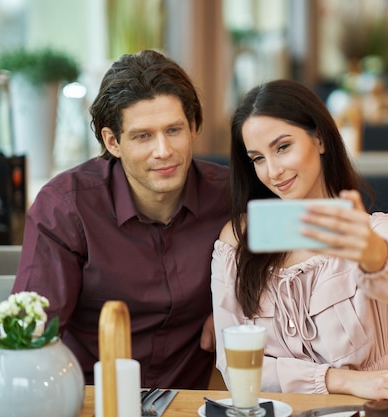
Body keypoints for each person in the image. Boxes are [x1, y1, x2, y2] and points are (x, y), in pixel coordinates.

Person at [211, 79, 388, 405]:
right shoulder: (237, 240)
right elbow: (234, 368)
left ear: (319, 138)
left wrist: (369, 251)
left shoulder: (378, 233)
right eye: (257, 158)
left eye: (282, 147)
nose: (273, 171)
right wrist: (342, 380)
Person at [12, 50, 230, 388]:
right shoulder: (66, 208)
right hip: (89, 399)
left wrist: (238, 305)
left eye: (173, 130)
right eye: (143, 136)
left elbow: (299, 264)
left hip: (188, 403)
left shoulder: (231, 196)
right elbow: (29, 336)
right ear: (112, 141)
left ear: (194, 128)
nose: (163, 150)